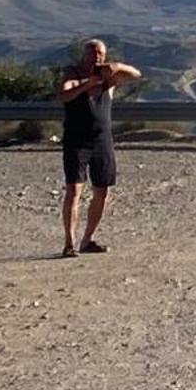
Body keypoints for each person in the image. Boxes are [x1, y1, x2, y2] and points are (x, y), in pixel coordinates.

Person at [55, 40, 140, 257]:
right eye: (92, 53)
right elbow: (64, 95)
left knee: (102, 192)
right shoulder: (72, 74)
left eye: (100, 54)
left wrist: (116, 67)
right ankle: (69, 243)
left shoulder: (107, 79)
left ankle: (88, 239)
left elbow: (135, 75)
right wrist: (87, 83)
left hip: (102, 140)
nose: (96, 58)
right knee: (74, 191)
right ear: (84, 55)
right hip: (77, 140)